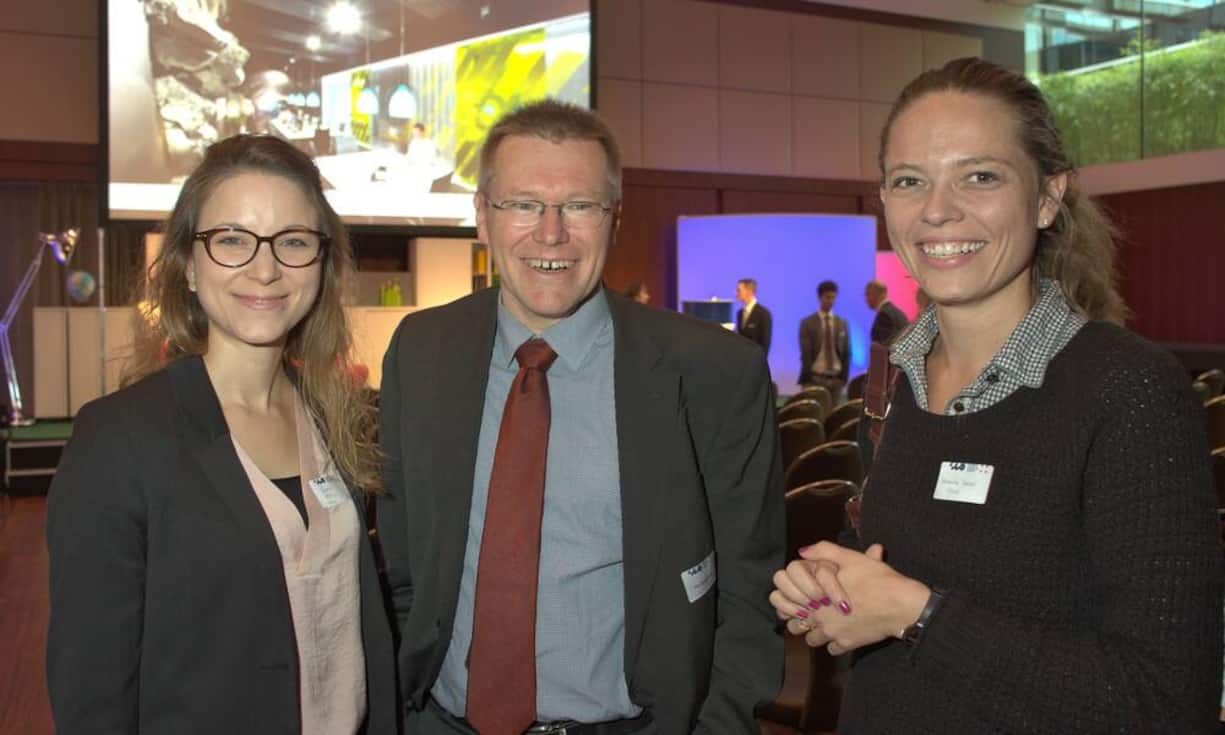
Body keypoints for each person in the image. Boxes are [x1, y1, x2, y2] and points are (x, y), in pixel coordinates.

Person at [769, 57, 1223, 732]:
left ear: (1046, 198)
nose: (937, 210)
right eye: (908, 180)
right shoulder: (891, 382)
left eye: (979, 176)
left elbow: (1164, 699)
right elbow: (897, 557)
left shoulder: (1129, 391)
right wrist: (828, 581)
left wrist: (917, 614)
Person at [377, 99, 784, 734]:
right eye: (522, 203)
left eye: (579, 206)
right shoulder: (422, 350)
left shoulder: (714, 372)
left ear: (614, 218)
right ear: (482, 215)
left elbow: (749, 590)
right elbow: (402, 565)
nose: (550, 232)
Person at [45, 135, 398, 734]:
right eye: (232, 239)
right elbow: (92, 689)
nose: (265, 268)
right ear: (187, 263)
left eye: (292, 241)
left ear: (322, 263)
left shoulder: (339, 420)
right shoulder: (120, 440)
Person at [798, 280, 850, 399]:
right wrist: (808, 378)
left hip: (836, 379)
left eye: (833, 298)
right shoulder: (807, 323)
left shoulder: (842, 323)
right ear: (820, 297)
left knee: (834, 416)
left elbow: (847, 352)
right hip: (815, 378)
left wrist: (844, 378)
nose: (831, 301)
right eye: (827, 297)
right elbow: (805, 353)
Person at [735, 277, 772, 355]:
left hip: (755, 362)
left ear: (749, 291)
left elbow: (765, 344)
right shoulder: (740, 313)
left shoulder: (763, 314)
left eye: (739, 290)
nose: (736, 293)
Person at [864, 280, 908, 345]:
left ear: (881, 294)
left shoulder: (884, 315)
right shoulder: (899, 313)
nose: (866, 298)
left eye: (869, 294)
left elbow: (884, 347)